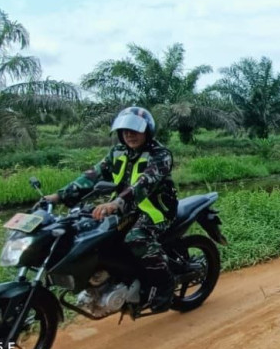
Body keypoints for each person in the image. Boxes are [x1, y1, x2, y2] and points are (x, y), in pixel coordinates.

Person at [43, 107, 179, 312]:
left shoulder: (160, 155)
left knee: (136, 237)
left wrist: (116, 203)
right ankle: (114, 277)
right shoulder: (118, 152)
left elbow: (144, 183)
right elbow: (92, 176)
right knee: (87, 228)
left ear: (148, 131)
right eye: (125, 131)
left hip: (156, 210)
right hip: (126, 208)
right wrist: (59, 196)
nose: (129, 135)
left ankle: (164, 283)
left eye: (135, 130)